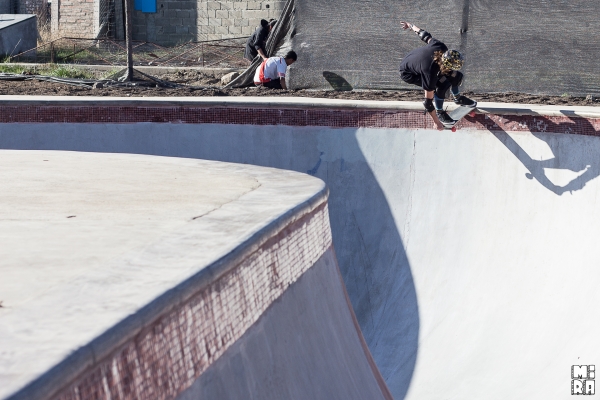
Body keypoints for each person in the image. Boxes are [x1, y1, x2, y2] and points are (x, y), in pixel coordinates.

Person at [399, 21, 476, 130]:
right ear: (446, 64)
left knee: (456, 76)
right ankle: (440, 112)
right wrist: (436, 122)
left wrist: (410, 25)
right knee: (442, 84)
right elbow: (428, 103)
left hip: (417, 60)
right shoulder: (430, 73)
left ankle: (457, 98)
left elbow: (424, 35)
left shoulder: (441, 46)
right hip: (408, 73)